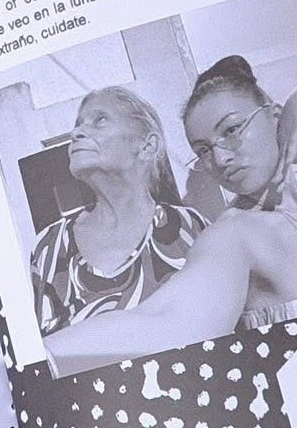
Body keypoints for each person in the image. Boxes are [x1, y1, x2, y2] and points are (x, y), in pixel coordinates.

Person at [45, 56, 297, 371]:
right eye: (203, 150)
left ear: (276, 115)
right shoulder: (231, 236)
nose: (220, 158)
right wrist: (35, 364)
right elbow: (167, 321)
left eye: (231, 130)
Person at [29, 87, 208, 336]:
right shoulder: (50, 246)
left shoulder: (193, 229)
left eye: (100, 120)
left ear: (147, 146)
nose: (76, 133)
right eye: (78, 124)